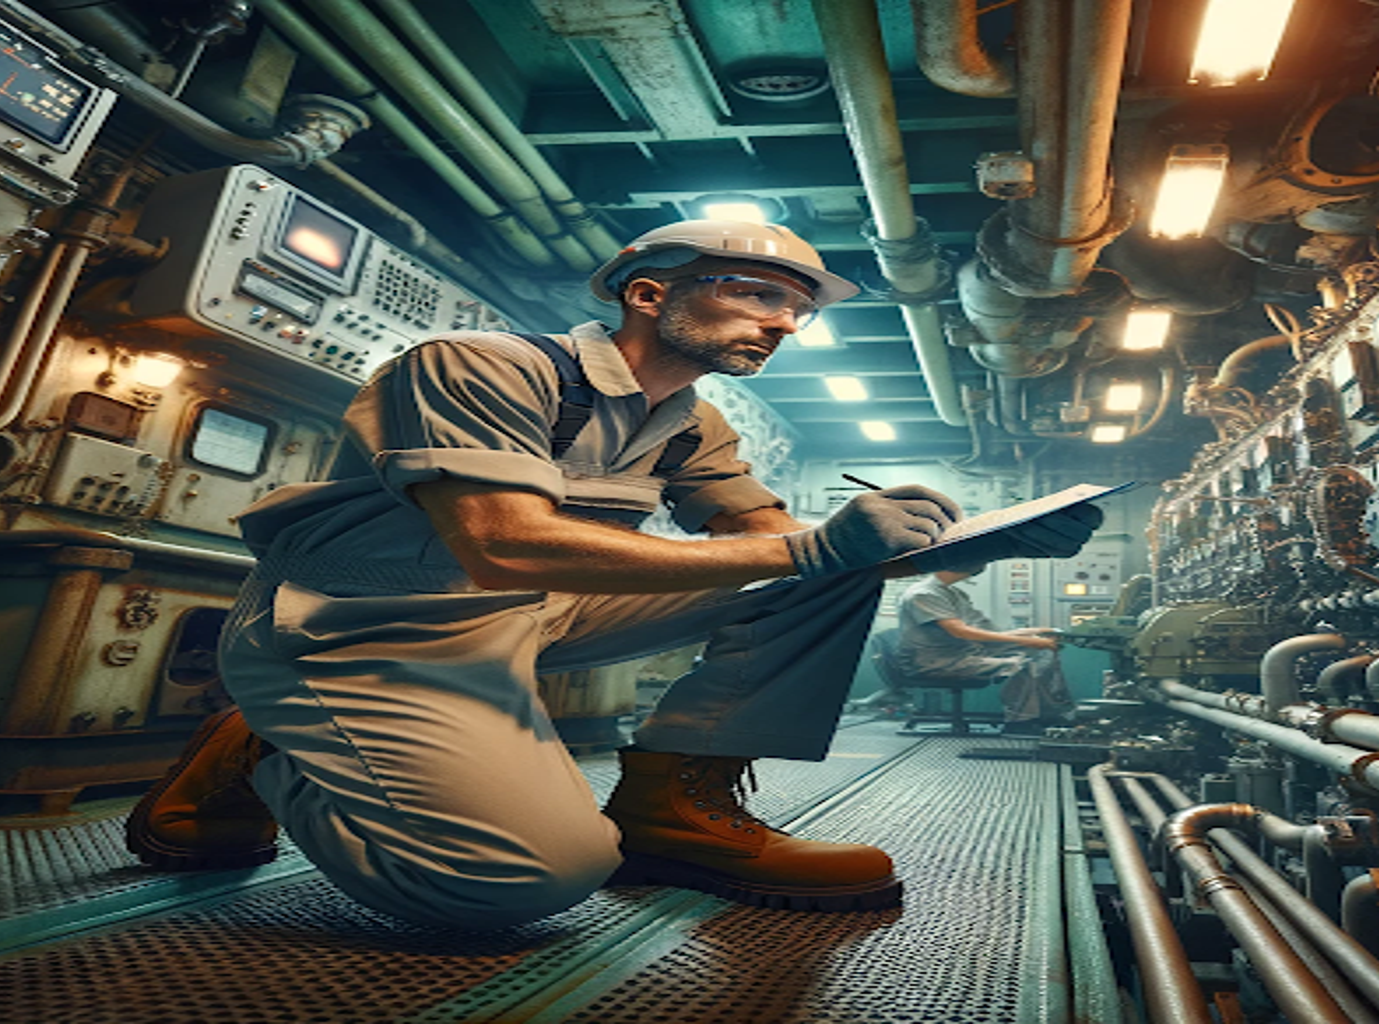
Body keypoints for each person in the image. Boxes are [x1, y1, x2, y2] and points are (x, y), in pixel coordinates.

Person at [124, 220, 1102, 928]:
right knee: (522, 882)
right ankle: (272, 749)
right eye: (757, 294)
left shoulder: (692, 423)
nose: (782, 322)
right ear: (648, 293)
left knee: (817, 573)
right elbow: (499, 541)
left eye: (795, 310)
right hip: (357, 636)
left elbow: (778, 546)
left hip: (522, 621)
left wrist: (973, 545)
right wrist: (812, 546)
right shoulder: (476, 366)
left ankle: (674, 802)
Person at [894, 566, 1075, 733]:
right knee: (1020, 664)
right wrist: (1026, 640)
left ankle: (1050, 715)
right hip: (936, 662)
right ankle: (1019, 723)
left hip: (965, 653)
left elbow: (987, 633)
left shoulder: (953, 593)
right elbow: (960, 631)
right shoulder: (923, 594)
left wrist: (1035, 632)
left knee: (1043, 652)